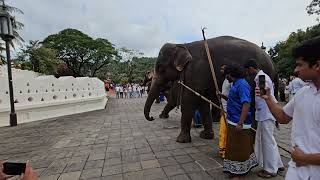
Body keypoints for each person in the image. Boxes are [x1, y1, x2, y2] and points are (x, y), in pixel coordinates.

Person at [256, 36, 320, 179]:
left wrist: (306, 158)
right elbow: (283, 117)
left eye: (300, 65)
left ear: (317, 65)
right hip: (296, 171)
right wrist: (268, 98)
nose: (296, 70)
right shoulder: (303, 92)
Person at [244, 59, 284, 178]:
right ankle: (277, 163)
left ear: (251, 68)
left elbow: (263, 94)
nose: (247, 73)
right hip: (264, 113)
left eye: (247, 70)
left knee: (267, 141)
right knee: (269, 140)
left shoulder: (261, 78)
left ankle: (270, 170)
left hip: (266, 113)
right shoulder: (261, 77)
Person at [219, 64, 257, 179]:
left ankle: (239, 173)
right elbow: (234, 100)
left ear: (231, 74)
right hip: (232, 120)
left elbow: (246, 104)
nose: (226, 77)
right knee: (233, 147)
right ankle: (234, 169)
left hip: (239, 122)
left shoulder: (242, 85)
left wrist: (240, 122)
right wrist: (222, 96)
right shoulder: (235, 83)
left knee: (239, 148)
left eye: (227, 74)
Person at [218, 64, 231, 158]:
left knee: (225, 131)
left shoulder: (231, 82)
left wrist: (221, 95)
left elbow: (233, 98)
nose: (220, 70)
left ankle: (225, 151)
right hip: (224, 109)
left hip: (229, 110)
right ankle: (223, 150)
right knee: (222, 131)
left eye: (223, 69)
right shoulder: (225, 81)